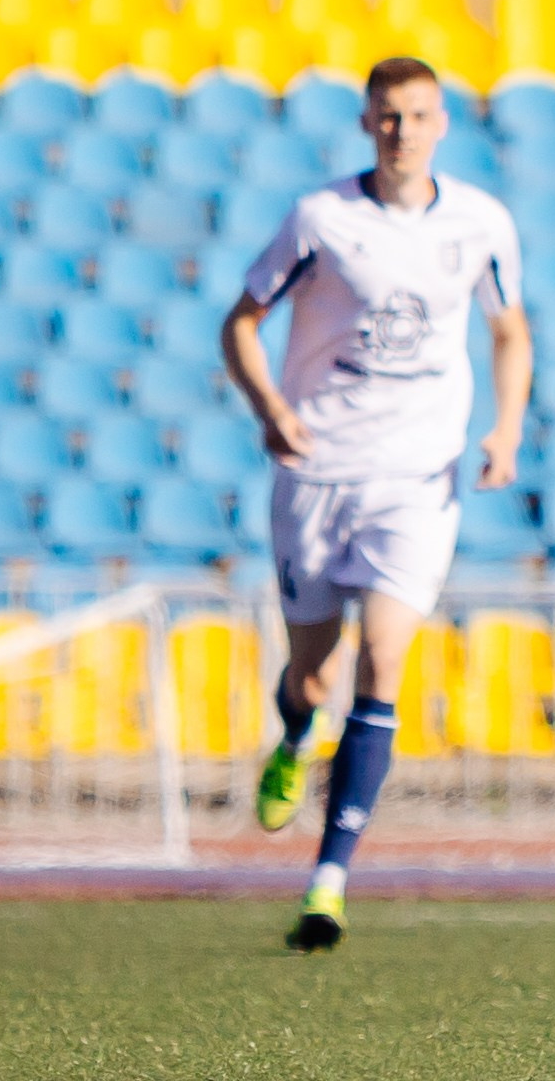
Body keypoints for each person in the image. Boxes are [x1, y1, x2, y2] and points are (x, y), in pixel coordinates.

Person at [223, 55, 532, 951]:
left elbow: (510, 331)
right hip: (318, 472)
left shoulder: (480, 222)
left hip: (417, 477)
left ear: (444, 124)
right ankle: (292, 739)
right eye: (387, 117)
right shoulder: (321, 219)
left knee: (384, 663)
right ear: (366, 124)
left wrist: (506, 430)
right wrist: (272, 410)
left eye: (419, 116)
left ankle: (329, 881)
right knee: (313, 677)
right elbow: (239, 322)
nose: (402, 132)